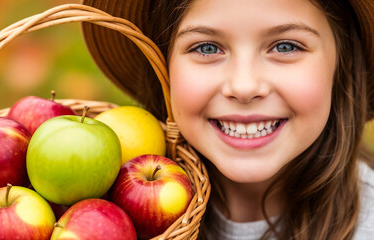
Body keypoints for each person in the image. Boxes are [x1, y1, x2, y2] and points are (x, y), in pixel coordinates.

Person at [80, 0, 374, 239]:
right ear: (164, 68)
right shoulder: (108, 212)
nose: (244, 87)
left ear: (341, 65)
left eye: (285, 46)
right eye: (207, 48)